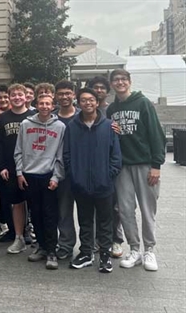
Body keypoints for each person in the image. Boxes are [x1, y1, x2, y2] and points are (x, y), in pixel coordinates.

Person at [107, 69, 166, 271]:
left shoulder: (143, 103)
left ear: (130, 82)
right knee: (124, 209)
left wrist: (156, 165)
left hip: (145, 164)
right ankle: (134, 249)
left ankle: (149, 249)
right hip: (122, 166)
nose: (120, 82)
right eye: (116, 80)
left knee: (148, 209)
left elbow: (156, 133)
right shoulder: (111, 109)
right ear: (112, 84)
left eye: (123, 79)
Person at [64, 88, 122, 273]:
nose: (87, 103)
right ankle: (85, 253)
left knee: (105, 222)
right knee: (85, 221)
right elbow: (67, 154)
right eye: (83, 100)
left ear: (97, 103)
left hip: (104, 184)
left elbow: (116, 156)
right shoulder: (72, 127)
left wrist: (108, 174)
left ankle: (105, 255)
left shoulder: (108, 126)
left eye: (91, 100)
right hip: (80, 185)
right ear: (78, 103)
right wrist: (74, 174)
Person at [15, 93, 66, 270]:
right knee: (35, 214)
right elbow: (19, 150)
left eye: (48, 103)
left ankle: (52, 250)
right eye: (41, 103)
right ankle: (42, 247)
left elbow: (60, 155)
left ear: (53, 106)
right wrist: (19, 172)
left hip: (48, 176)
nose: (44, 106)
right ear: (36, 105)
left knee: (50, 215)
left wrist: (56, 176)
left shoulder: (60, 126)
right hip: (29, 175)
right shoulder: (26, 124)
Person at [0, 84, 36, 253]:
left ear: (26, 97)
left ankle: (37, 237)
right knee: (17, 203)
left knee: (34, 203)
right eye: (14, 95)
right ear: (9, 98)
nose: (17, 97)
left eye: (20, 94)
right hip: (10, 167)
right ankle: (18, 237)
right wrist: (2, 166)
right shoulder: (2, 118)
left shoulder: (34, 115)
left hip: (33, 166)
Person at [88, 75, 125, 258]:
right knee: (95, 206)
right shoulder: (84, 109)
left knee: (114, 206)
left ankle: (115, 240)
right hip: (90, 166)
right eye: (96, 87)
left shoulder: (112, 109)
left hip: (109, 164)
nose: (99, 90)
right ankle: (98, 239)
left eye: (102, 87)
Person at [52, 80, 79, 261]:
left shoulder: (83, 115)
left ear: (74, 95)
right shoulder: (51, 117)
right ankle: (66, 245)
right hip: (60, 172)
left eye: (68, 93)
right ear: (56, 96)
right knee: (63, 210)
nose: (64, 97)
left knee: (87, 210)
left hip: (82, 170)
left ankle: (89, 244)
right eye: (61, 93)